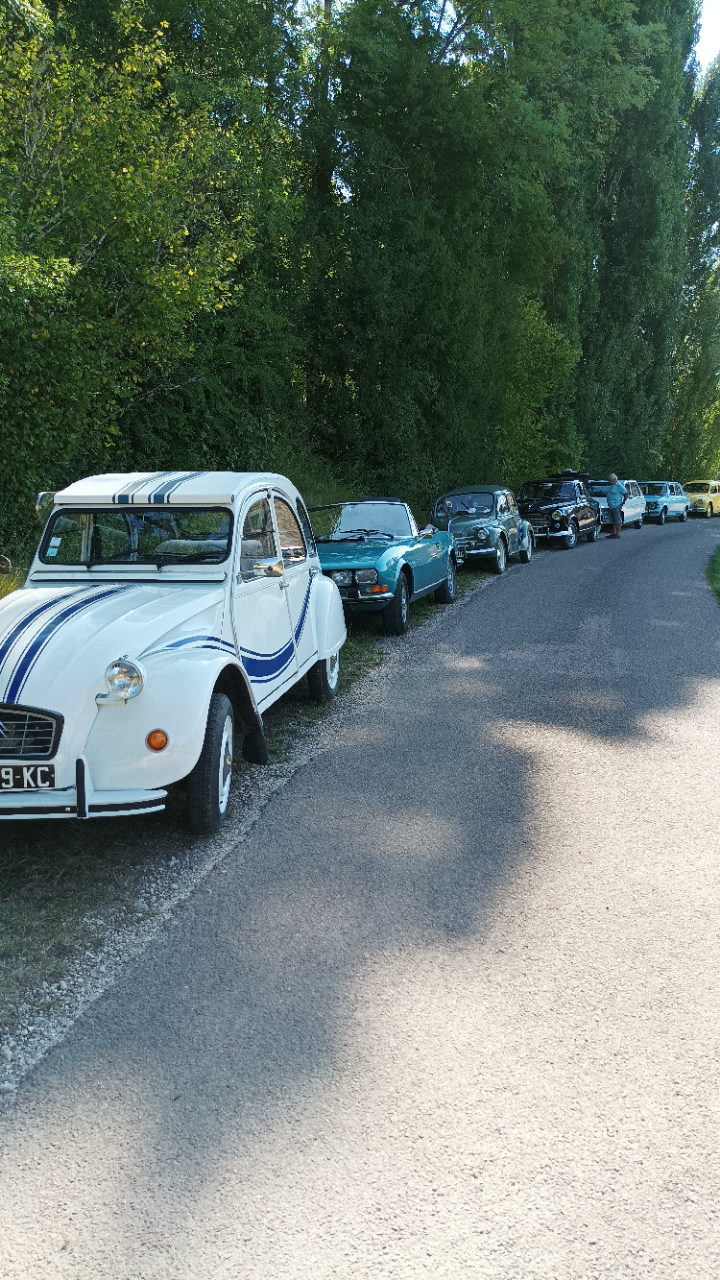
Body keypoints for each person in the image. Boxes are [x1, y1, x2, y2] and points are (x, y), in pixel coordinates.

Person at [605, 473, 627, 538]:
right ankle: (614, 532)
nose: (610, 481)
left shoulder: (619, 485)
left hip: (616, 504)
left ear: (614, 479)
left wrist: (623, 501)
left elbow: (626, 492)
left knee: (617, 520)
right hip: (611, 505)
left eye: (611, 480)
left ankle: (617, 533)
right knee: (613, 520)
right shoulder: (611, 485)